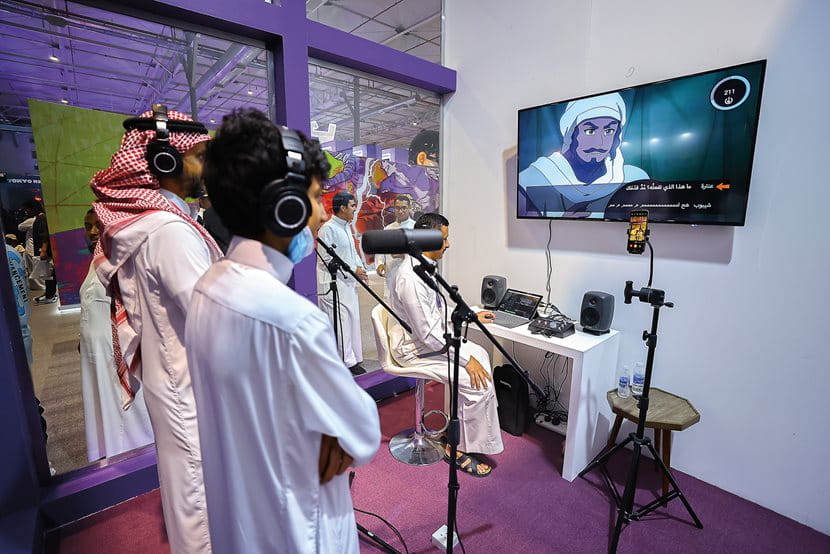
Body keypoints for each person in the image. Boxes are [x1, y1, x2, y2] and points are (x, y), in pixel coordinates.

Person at [188, 108, 380, 553]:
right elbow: (365, 434)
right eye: (313, 198)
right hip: (298, 529)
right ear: (284, 207)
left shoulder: (209, 285)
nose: (317, 215)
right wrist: (335, 429)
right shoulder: (292, 320)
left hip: (238, 523)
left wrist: (331, 427)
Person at [90, 105, 221, 553]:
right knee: (198, 491)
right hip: (189, 379)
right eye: (200, 156)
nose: (208, 168)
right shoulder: (168, 230)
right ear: (166, 161)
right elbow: (210, 313)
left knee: (186, 480)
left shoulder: (153, 222)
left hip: (174, 374)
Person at [388, 213, 504, 477]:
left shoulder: (423, 265)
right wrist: (464, 360)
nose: (448, 245)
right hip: (415, 350)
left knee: (482, 354)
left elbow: (439, 309)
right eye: (445, 238)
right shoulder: (411, 278)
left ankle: (467, 434)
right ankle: (458, 447)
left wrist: (471, 312)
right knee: (478, 381)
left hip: (427, 341)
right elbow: (429, 334)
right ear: (425, 238)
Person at [79, 208, 154, 462]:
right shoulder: (97, 261)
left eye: (96, 226)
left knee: (127, 417)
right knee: (102, 412)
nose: (90, 232)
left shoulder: (118, 262)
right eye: (86, 226)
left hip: (116, 357)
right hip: (95, 359)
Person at [519, 92, 649, 215]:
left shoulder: (633, 179)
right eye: (590, 131)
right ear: (570, 132)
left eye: (609, 130)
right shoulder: (533, 178)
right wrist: (565, 226)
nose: (600, 143)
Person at [317, 191, 368, 376]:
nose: (355, 209)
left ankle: (353, 357)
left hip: (348, 282)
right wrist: (353, 270)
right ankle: (346, 362)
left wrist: (360, 268)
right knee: (341, 323)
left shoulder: (346, 227)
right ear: (342, 208)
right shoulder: (327, 229)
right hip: (333, 285)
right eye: (353, 206)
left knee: (351, 320)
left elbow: (352, 252)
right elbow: (327, 259)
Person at [375, 194, 415, 298]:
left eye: (404, 208)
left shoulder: (416, 228)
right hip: (391, 274)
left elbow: (421, 253)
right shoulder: (388, 229)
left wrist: (405, 254)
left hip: (410, 276)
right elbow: (381, 250)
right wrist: (379, 264)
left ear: (409, 208)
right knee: (390, 308)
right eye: (397, 208)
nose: (400, 211)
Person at [32, 208, 56, 304]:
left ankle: (50, 295)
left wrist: (44, 249)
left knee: (48, 273)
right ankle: (49, 293)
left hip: (46, 250)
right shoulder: (42, 217)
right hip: (47, 249)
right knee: (48, 273)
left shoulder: (42, 218)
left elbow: (44, 235)